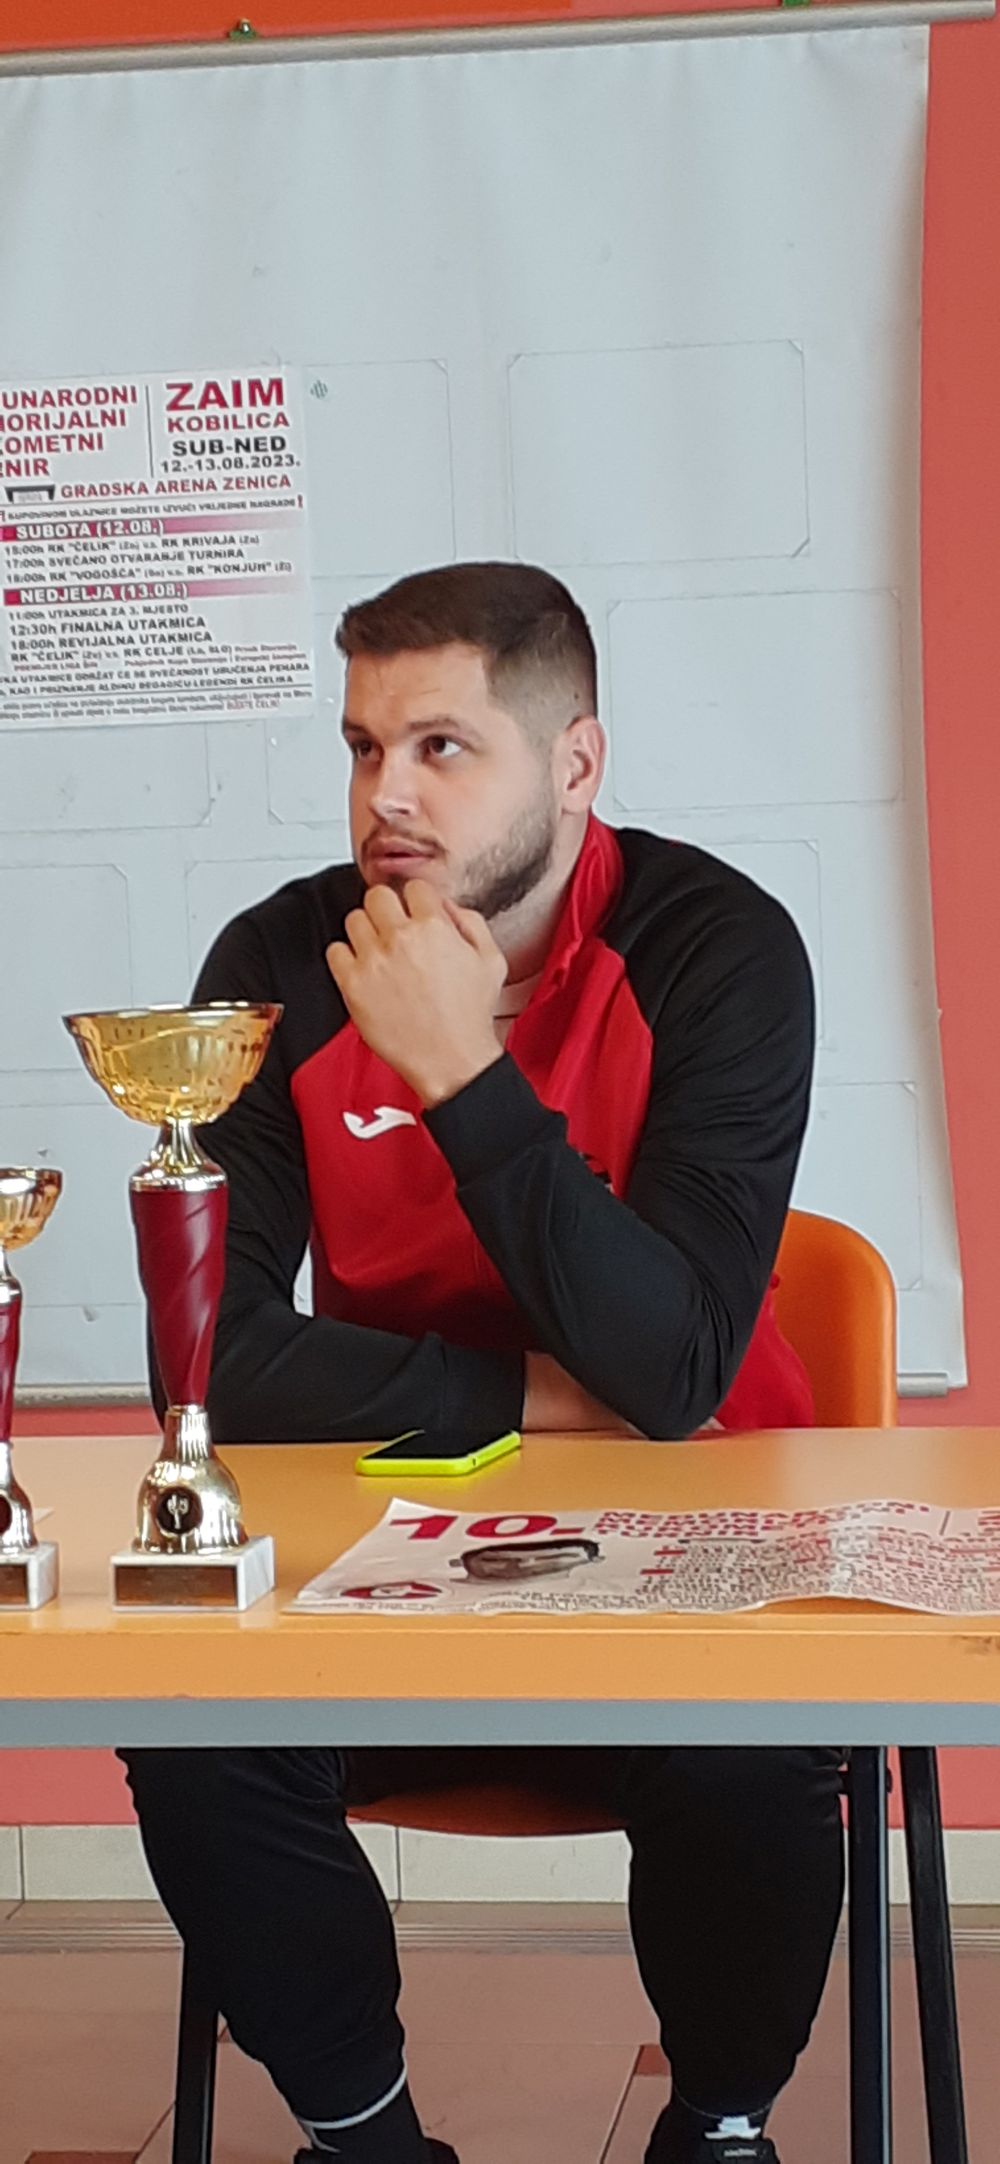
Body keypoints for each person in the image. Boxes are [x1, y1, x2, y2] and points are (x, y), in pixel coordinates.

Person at [120, 563, 844, 2164]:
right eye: (364, 745)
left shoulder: (719, 950)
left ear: (576, 765)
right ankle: (364, 2140)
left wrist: (460, 1067)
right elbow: (211, 1363)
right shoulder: (283, 956)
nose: (387, 794)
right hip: (390, 1550)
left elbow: (674, 1369)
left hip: (689, 1562)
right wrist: (537, 1397)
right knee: (189, 1724)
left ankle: (718, 2130)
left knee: (758, 1747)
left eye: (442, 746)